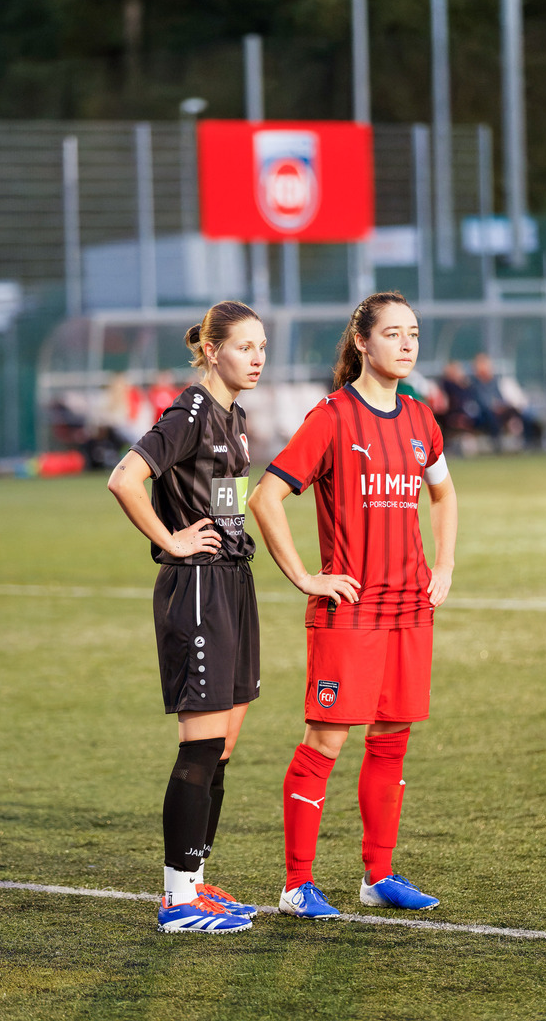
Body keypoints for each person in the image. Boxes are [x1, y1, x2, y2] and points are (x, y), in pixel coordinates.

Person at [248, 291, 458, 919]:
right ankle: (296, 885)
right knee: (326, 739)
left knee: (391, 737)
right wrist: (304, 577)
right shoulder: (332, 417)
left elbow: (444, 495)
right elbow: (265, 497)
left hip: (409, 608)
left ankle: (379, 874)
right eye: (393, 333)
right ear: (362, 342)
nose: (407, 343)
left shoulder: (421, 419)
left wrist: (444, 565)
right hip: (352, 611)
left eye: (413, 333)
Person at [107, 301, 267, 934]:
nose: (256, 358)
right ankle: (177, 899)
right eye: (244, 347)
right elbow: (125, 478)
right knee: (200, 744)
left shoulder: (235, 416)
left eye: (262, 346)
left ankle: (196, 881)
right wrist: (172, 540)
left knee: (223, 745)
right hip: (197, 586)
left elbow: (225, 501)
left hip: (232, 582)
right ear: (211, 350)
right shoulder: (192, 410)